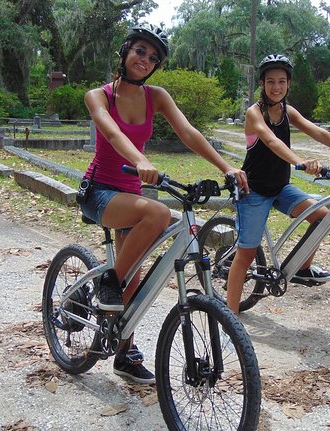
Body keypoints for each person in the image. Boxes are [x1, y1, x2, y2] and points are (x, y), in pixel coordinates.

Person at [79, 25, 248, 383]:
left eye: (153, 58)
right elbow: (111, 132)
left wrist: (227, 166)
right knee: (156, 215)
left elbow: (189, 132)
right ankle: (104, 283)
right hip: (100, 193)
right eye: (141, 51)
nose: (146, 60)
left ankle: (123, 353)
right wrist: (140, 159)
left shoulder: (156, 96)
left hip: (132, 197)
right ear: (125, 52)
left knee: (136, 281)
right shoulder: (99, 96)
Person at [226, 54, 330, 314]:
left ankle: (302, 268)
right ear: (262, 83)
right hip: (254, 191)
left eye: (282, 81)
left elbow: (318, 132)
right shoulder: (254, 112)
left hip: (280, 188)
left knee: (322, 217)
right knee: (246, 256)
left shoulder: (287, 111)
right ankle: (229, 317)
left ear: (289, 84)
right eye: (270, 81)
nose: (276, 87)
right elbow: (270, 141)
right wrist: (300, 162)